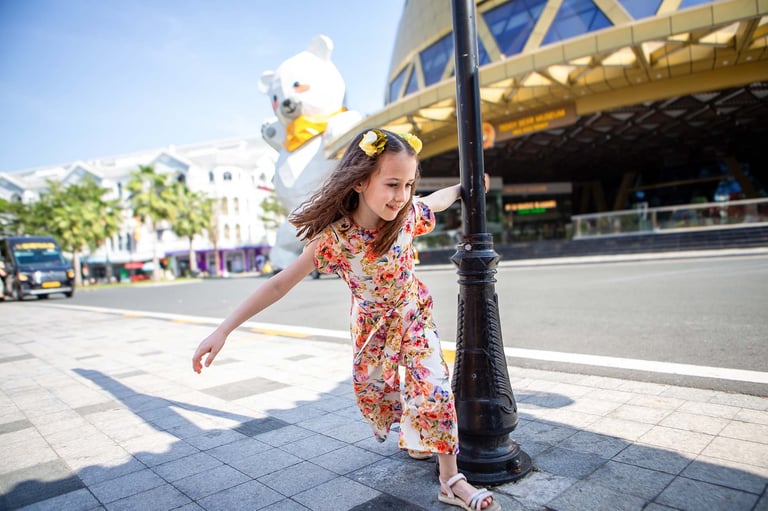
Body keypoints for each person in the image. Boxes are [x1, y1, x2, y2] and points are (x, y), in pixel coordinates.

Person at [192, 128, 499, 511]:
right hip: (371, 328)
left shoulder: (407, 215)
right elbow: (279, 284)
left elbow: (433, 202)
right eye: (392, 184)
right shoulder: (334, 239)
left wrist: (464, 188)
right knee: (375, 397)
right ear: (359, 181)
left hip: (413, 314)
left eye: (407, 185)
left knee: (433, 385)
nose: (401, 195)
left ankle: (451, 480)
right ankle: (417, 430)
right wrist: (223, 330)